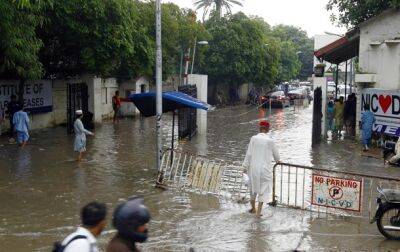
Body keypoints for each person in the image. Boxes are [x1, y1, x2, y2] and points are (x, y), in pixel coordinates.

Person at [242, 120, 280, 218]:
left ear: (259, 128)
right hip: (264, 170)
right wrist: (278, 161)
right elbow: (277, 158)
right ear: (267, 129)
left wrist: (244, 167)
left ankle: (253, 208)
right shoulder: (270, 141)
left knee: (253, 189)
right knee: (263, 191)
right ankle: (258, 213)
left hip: (253, 169)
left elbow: (249, 154)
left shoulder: (253, 139)